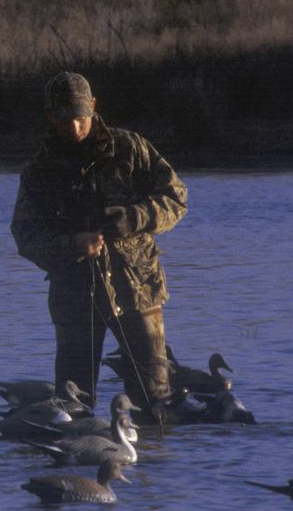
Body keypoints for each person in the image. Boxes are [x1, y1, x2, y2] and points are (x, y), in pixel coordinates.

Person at [10, 72, 187, 420]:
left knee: (154, 404)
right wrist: (70, 245)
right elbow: (25, 235)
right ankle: (81, 475)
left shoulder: (131, 149)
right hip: (74, 297)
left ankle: (150, 469)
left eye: (80, 117)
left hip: (137, 290)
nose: (75, 127)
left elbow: (176, 198)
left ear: (93, 106)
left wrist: (135, 217)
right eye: (64, 120)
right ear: (50, 116)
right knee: (74, 407)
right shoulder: (39, 170)